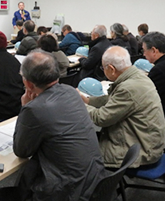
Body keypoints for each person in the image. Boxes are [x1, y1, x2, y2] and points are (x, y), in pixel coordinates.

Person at [14, 50, 105, 201]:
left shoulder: (34, 109)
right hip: (95, 179)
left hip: (68, 192)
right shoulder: (71, 92)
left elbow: (21, 150)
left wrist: (25, 107)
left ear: (28, 83)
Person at [79, 46, 165, 168]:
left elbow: (101, 119)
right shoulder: (139, 77)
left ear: (111, 69)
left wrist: (78, 105)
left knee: (77, 151)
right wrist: (87, 101)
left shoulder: (128, 88)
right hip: (147, 141)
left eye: (103, 68)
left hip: (142, 150)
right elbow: (112, 100)